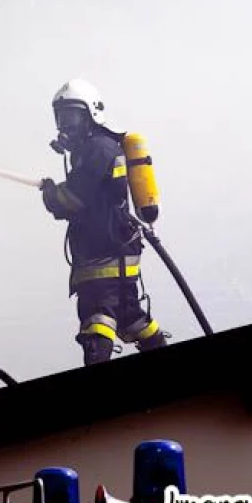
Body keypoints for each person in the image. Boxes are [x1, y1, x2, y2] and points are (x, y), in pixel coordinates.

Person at [38, 78, 171, 366]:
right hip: (115, 253)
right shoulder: (93, 149)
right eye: (61, 117)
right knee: (131, 318)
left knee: (97, 322)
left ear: (92, 114)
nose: (66, 125)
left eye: (72, 116)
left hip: (104, 258)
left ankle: (96, 397)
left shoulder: (98, 148)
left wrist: (51, 194)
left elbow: (74, 198)